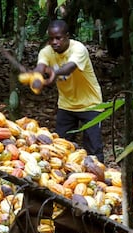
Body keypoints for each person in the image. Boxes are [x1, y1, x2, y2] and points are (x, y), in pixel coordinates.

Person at [33, 19, 104, 163]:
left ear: (67, 36)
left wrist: (54, 73)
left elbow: (70, 67)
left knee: (93, 150)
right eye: (51, 38)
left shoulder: (78, 49)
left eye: (58, 38)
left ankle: (99, 181)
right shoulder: (46, 52)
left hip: (91, 105)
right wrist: (36, 76)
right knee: (60, 148)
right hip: (66, 105)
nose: (54, 42)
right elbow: (41, 67)